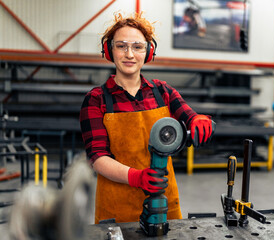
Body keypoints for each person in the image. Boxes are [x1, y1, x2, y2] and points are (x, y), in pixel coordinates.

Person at [79, 12, 214, 224]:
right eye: (121, 46)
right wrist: (137, 177)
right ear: (109, 50)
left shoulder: (163, 92)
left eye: (137, 46)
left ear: (148, 51)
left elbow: (190, 116)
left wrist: (198, 120)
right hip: (117, 207)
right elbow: (98, 157)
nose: (129, 54)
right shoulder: (96, 100)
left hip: (164, 202)